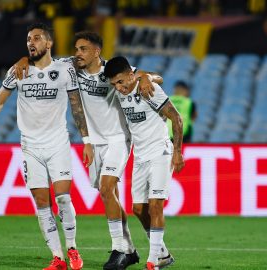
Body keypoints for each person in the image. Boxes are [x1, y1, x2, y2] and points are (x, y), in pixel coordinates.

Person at [12, 31, 165, 270]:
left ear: (96, 52)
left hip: (117, 139)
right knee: (109, 194)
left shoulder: (112, 72)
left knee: (106, 188)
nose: (77, 54)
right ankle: (130, 250)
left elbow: (152, 76)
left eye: (83, 49)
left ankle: (118, 249)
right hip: (94, 142)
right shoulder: (71, 68)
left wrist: (148, 78)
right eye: (76, 49)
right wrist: (24, 60)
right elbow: (41, 60)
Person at [0, 22, 92, 270]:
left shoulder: (65, 69)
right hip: (30, 146)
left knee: (63, 198)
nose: (31, 42)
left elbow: (77, 106)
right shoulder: (18, 71)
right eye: (28, 39)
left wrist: (87, 141)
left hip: (57, 143)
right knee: (41, 201)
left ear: (49, 43)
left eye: (36, 38)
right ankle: (57, 257)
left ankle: (72, 248)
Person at [104, 56, 185, 270]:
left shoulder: (148, 90)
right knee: (139, 209)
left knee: (156, 206)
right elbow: (143, 75)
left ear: (131, 74)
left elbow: (176, 119)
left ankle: (152, 262)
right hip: (139, 157)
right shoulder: (125, 89)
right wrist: (146, 76)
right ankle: (163, 254)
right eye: (114, 84)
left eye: (121, 82)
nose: (119, 88)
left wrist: (177, 152)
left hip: (160, 153)